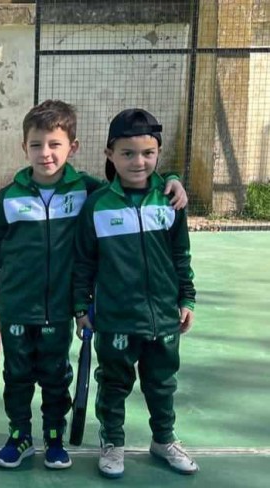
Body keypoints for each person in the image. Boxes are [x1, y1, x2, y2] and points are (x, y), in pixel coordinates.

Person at [0, 100, 188, 470]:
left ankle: (55, 438)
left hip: (59, 309)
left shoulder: (89, 193)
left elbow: (133, 180)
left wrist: (171, 178)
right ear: (23, 147)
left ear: (72, 147)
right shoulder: (9, 197)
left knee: (56, 376)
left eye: (55, 144)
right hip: (15, 305)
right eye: (36, 145)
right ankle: (20, 435)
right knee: (17, 376)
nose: (46, 153)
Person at [73, 108, 199, 479]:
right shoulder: (98, 204)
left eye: (147, 153)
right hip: (115, 319)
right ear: (110, 154)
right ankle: (112, 442)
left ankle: (163, 440)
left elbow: (181, 254)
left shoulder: (170, 200)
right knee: (113, 385)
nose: (138, 161)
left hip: (163, 316)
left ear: (158, 153)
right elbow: (84, 262)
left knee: (162, 385)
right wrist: (81, 304)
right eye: (127, 153)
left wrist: (187, 298)